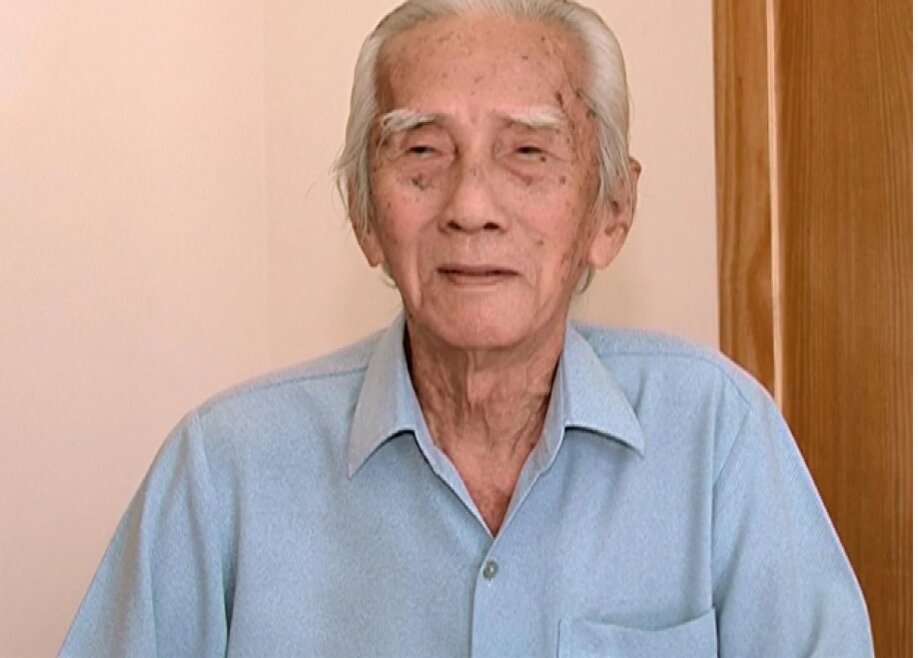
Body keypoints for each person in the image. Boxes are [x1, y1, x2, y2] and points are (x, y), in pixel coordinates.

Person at [60, 1, 873, 656]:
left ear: (612, 210)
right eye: (422, 151)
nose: (471, 206)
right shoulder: (222, 471)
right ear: (362, 211)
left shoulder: (719, 436)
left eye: (528, 152)